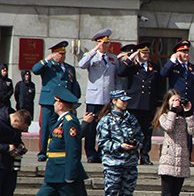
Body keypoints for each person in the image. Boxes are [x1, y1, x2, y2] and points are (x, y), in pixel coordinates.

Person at [1, 86, 94, 196]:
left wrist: (71, 174)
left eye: (56, 102)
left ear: (61, 105)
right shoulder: (61, 121)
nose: (54, 104)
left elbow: (73, 150)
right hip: (55, 172)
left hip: (65, 173)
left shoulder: (69, 122)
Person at [94, 90, 143, 196]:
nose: (125, 103)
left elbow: (140, 136)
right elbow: (102, 143)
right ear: (114, 101)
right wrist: (119, 146)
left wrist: (136, 145)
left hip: (130, 163)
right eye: (122, 100)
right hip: (113, 163)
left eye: (126, 100)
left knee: (127, 194)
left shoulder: (131, 118)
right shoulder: (106, 120)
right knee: (110, 194)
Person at [154, 89, 194, 196]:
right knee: (167, 194)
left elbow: (193, 131)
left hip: (182, 159)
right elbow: (168, 127)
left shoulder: (183, 117)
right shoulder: (164, 115)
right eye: (174, 100)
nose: (177, 103)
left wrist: (188, 112)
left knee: (175, 195)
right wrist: (172, 110)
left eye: (178, 100)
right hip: (168, 158)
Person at [32, 41, 81, 162]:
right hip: (49, 101)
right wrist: (46, 59)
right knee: (45, 127)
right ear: (54, 54)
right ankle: (42, 152)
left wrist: (73, 102)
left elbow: (73, 85)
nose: (62, 56)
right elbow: (35, 69)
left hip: (64, 103)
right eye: (59, 54)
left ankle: (61, 149)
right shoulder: (47, 66)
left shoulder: (69, 68)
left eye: (63, 54)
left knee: (63, 126)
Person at [117, 42, 162, 165]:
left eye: (147, 52)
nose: (145, 55)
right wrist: (131, 58)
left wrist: (159, 103)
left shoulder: (154, 67)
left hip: (149, 104)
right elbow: (120, 72)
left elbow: (159, 85)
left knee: (147, 132)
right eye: (143, 52)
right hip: (134, 104)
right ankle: (133, 155)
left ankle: (144, 155)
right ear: (138, 53)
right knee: (133, 131)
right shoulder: (132, 66)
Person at [78, 28, 119, 163]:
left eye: (107, 43)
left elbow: (116, 77)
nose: (106, 45)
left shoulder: (113, 58)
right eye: (102, 43)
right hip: (94, 98)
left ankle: (102, 152)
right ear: (97, 43)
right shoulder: (91, 56)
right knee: (90, 128)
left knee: (106, 127)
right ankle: (90, 153)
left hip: (108, 98)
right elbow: (81, 65)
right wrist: (94, 50)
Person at [161, 40, 194, 157]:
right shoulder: (173, 66)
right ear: (177, 53)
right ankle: (172, 154)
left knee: (188, 130)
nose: (186, 54)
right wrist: (172, 60)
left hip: (188, 104)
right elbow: (163, 74)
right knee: (174, 128)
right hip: (176, 104)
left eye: (187, 51)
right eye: (183, 51)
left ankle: (186, 156)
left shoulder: (193, 68)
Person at [0, 107, 31, 196]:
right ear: (16, 121)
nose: (22, 130)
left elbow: (17, 140)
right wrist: (6, 148)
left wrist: (20, 147)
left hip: (10, 165)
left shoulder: (16, 126)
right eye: (22, 128)